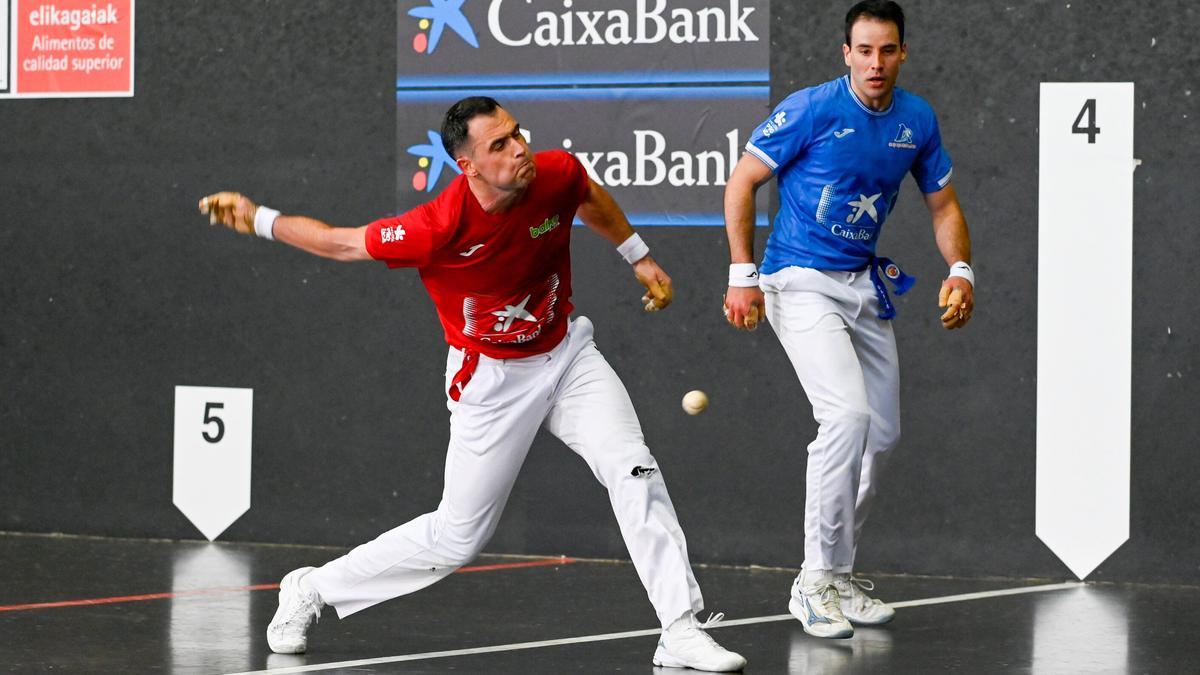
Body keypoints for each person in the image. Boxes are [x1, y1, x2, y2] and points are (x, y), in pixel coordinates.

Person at [199, 96, 746, 671]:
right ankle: (313, 587)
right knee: (455, 539)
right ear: (470, 166)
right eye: (500, 146)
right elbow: (341, 242)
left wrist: (638, 255)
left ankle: (680, 628)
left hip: (566, 356)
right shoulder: (437, 227)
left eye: (517, 135)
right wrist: (259, 217)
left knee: (633, 469)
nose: (519, 151)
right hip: (492, 380)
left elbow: (584, 193)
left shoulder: (553, 172)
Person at [721, 0, 974, 639]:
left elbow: (943, 205)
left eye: (887, 50)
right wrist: (742, 273)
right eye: (864, 50)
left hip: (862, 284)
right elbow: (742, 180)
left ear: (902, 53)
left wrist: (961, 270)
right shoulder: (812, 108)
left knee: (880, 437)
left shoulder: (916, 119)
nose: (876, 63)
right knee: (846, 418)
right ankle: (812, 582)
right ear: (846, 54)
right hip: (797, 280)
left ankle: (836, 574)